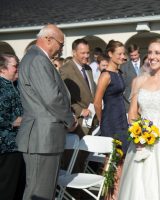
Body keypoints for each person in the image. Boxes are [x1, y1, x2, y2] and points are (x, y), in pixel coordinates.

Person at [118, 38, 160, 200]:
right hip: (142, 142)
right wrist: (138, 133)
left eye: (157, 52)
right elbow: (133, 114)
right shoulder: (139, 81)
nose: (152, 56)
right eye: (149, 52)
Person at [16, 24, 78, 200]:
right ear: (48, 39)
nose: (61, 48)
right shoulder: (37, 59)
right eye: (61, 43)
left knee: (41, 189)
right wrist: (70, 119)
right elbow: (52, 98)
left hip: (42, 137)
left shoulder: (34, 58)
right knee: (39, 192)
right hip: (42, 137)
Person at [59, 38, 98, 175]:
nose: (86, 56)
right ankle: (71, 193)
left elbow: (91, 93)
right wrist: (79, 110)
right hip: (76, 122)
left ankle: (80, 194)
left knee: (82, 160)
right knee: (72, 162)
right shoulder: (66, 70)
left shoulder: (88, 68)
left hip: (90, 121)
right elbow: (62, 97)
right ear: (74, 52)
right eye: (83, 53)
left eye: (88, 53)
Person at [94, 40, 129, 151]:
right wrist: (102, 121)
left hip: (122, 118)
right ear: (110, 54)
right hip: (111, 120)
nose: (122, 56)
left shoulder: (119, 72)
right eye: (119, 54)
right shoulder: (105, 75)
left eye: (123, 53)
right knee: (112, 158)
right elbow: (97, 102)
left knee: (123, 156)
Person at [0, 54, 24, 200]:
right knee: (6, 190)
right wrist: (13, 122)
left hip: (17, 146)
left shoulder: (13, 84)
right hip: (6, 147)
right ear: (2, 69)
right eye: (15, 66)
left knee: (16, 189)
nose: (17, 69)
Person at [121, 44, 141, 111]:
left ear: (139, 53)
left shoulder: (146, 64)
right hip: (129, 101)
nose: (134, 57)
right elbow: (123, 84)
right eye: (132, 55)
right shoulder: (124, 67)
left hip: (145, 99)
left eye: (135, 55)